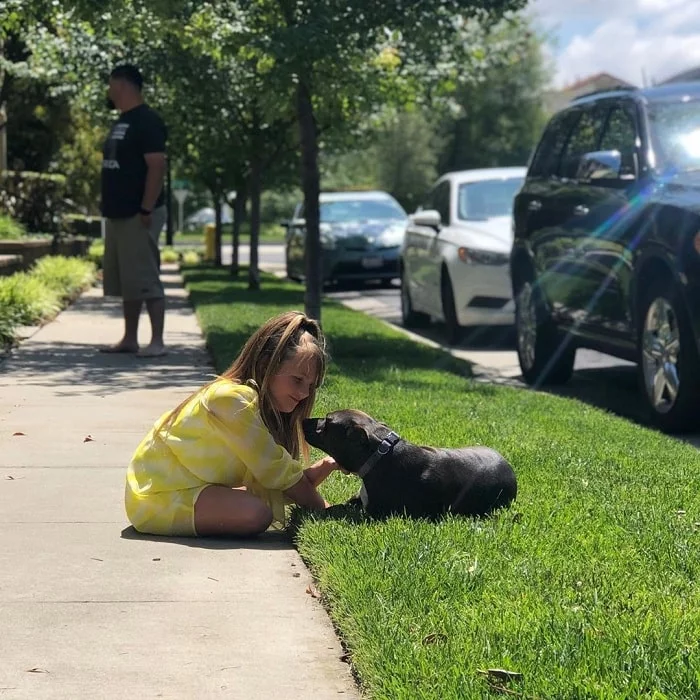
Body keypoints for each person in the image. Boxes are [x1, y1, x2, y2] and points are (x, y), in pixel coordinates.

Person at [125, 311, 340, 537]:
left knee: (255, 507)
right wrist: (325, 511)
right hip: (155, 496)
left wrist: (316, 472)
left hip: (184, 486)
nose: (304, 393)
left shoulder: (255, 404)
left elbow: (272, 479)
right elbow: (275, 471)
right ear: (267, 364)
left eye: (310, 385)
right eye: (297, 380)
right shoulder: (232, 400)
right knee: (256, 514)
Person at [100, 63, 168, 358]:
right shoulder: (122, 120)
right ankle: (129, 338)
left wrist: (146, 207)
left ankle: (157, 342)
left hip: (139, 213)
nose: (109, 90)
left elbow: (157, 165)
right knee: (127, 280)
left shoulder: (147, 121)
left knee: (145, 277)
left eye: (111, 84)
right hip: (118, 213)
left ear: (123, 84)